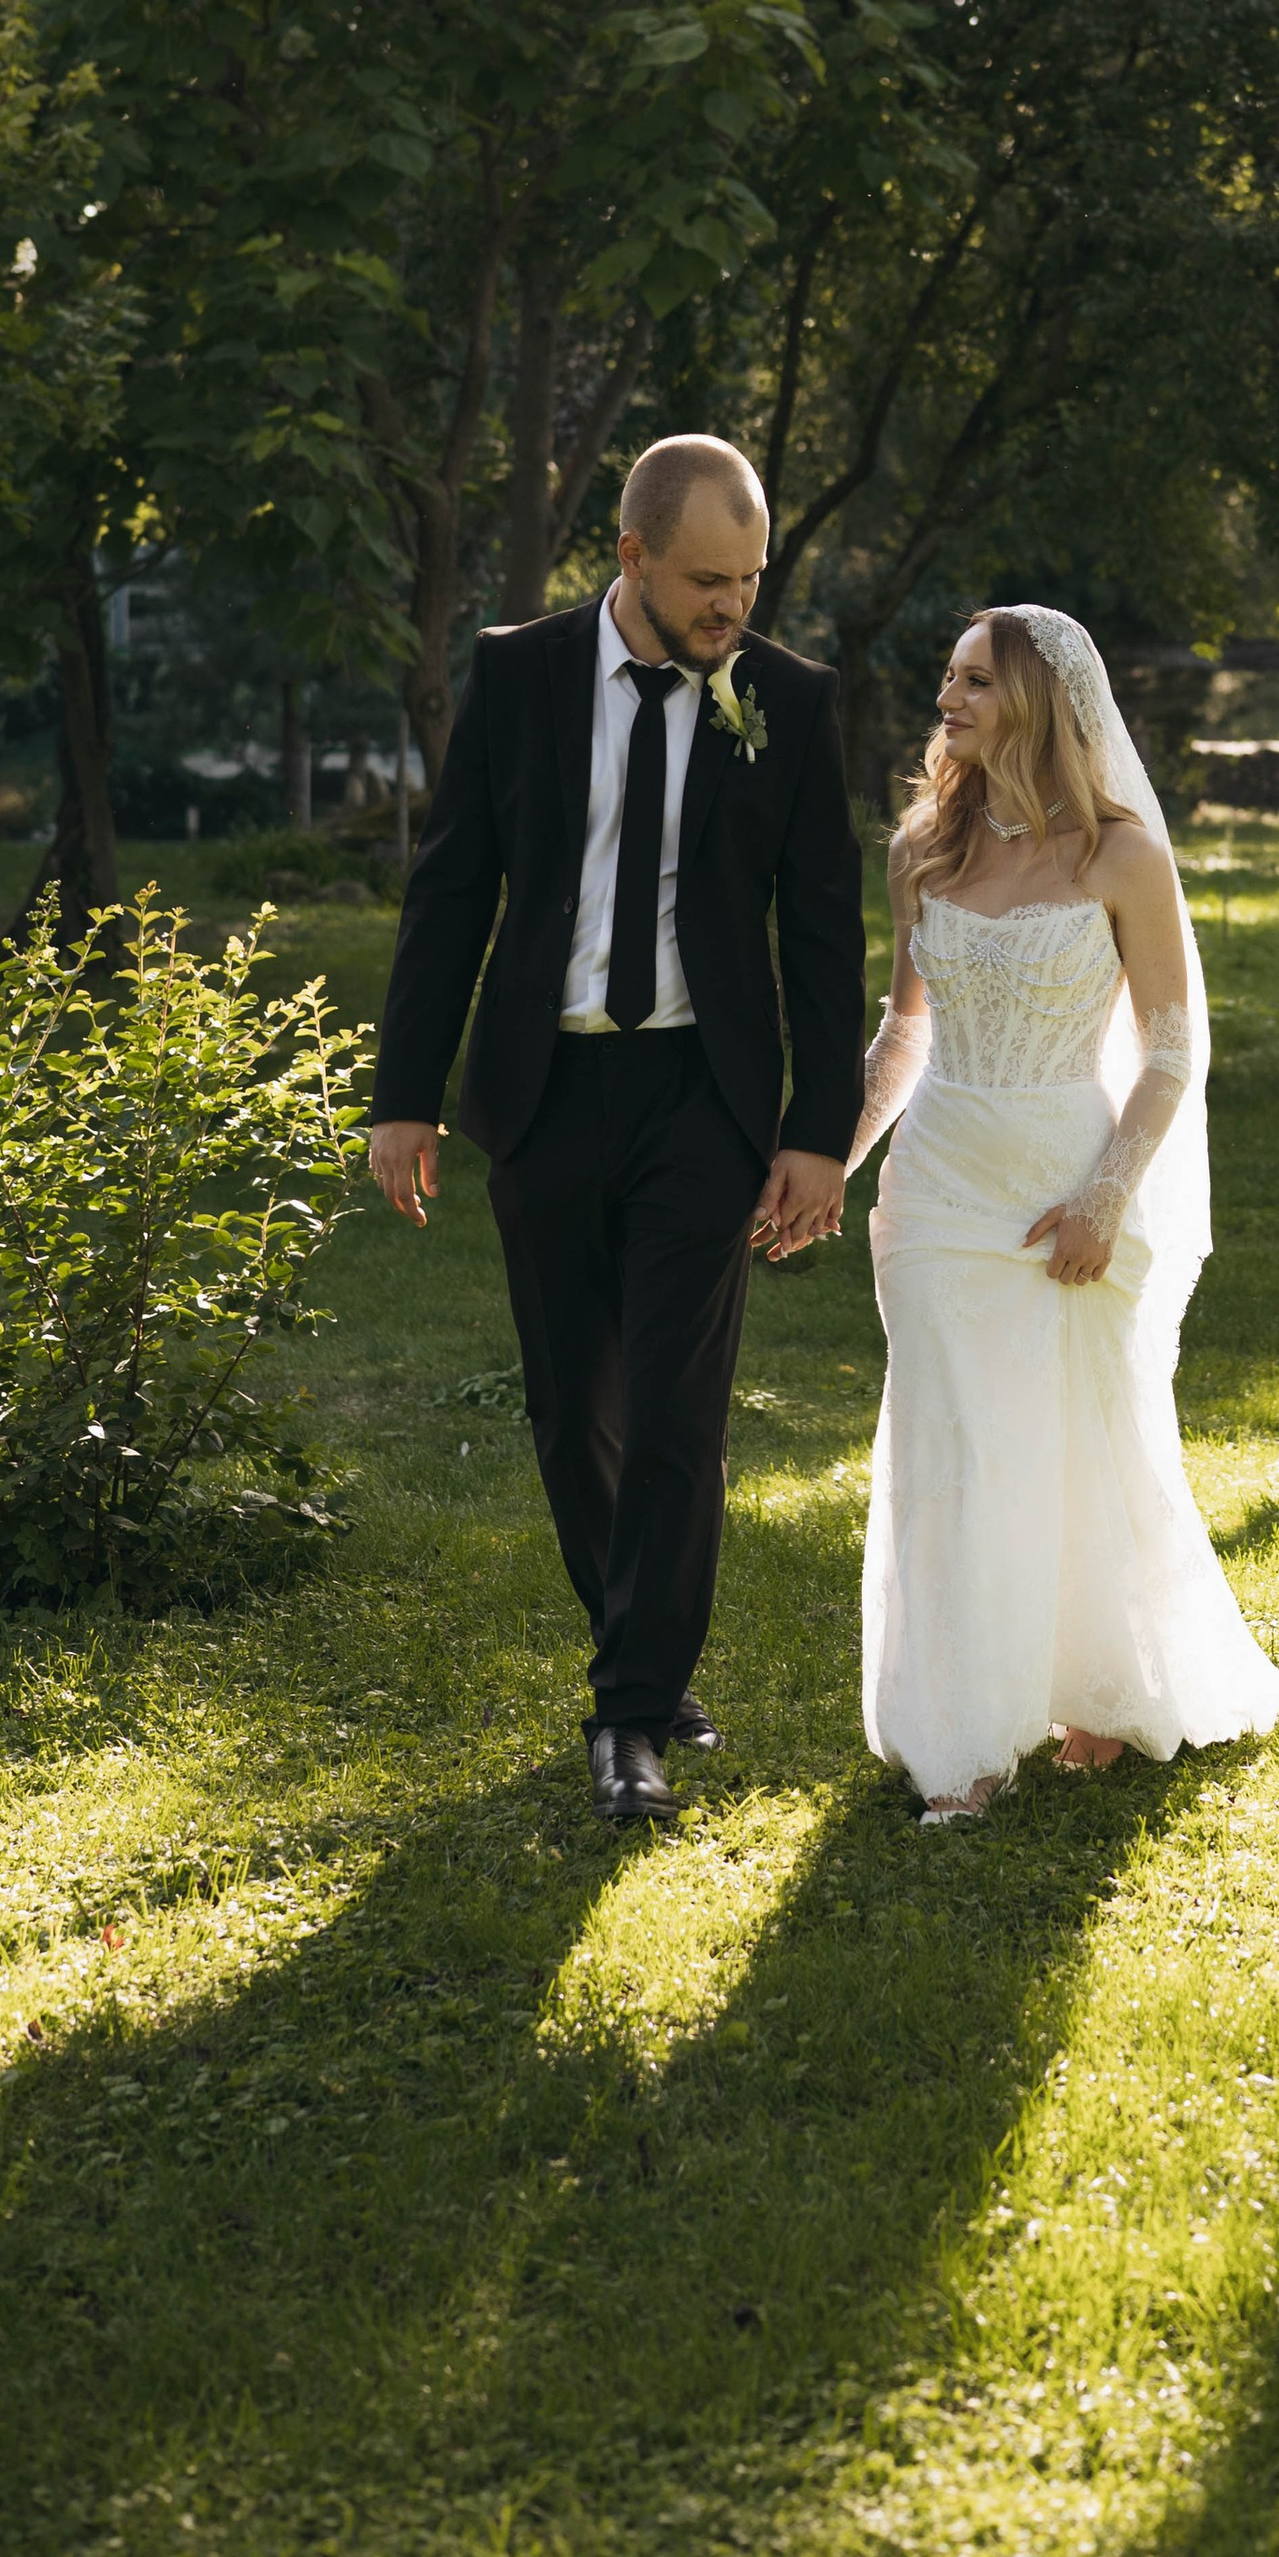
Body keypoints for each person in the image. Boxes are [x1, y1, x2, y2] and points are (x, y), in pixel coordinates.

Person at [366, 436, 864, 1827]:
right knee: (568, 1402)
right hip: (545, 1087)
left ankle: (632, 1710)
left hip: (702, 1093)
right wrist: (407, 1090)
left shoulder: (788, 700)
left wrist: (819, 1131)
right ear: (631, 557)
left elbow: (823, 935)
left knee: (679, 1412)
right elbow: (453, 884)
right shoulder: (520, 674)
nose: (733, 608)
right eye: (709, 579)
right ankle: (638, 1636)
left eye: (752, 578)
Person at [848, 605, 1279, 1818]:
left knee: (1074, 1439)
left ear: (1039, 705)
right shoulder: (924, 847)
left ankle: (1095, 1689)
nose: (946, 700)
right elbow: (905, 1031)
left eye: (974, 682)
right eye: (947, 678)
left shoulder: (1121, 855)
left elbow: (1170, 1051)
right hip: (940, 1183)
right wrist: (834, 1162)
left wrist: (1103, 1198)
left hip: (1066, 1177)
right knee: (953, 1447)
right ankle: (960, 1743)